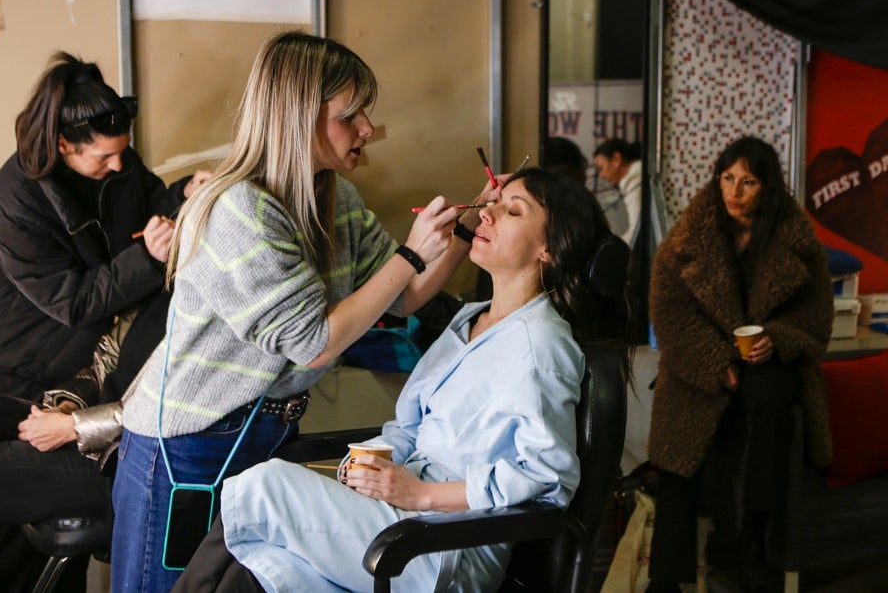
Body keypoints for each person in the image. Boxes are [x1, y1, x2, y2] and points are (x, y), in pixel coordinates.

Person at [111, 31, 484, 592]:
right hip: (189, 448)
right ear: (297, 116)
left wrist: (462, 234)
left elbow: (400, 296)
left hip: (266, 434)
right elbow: (314, 341)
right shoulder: (236, 211)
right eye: (351, 115)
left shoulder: (337, 199)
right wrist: (410, 254)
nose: (367, 129)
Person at [172, 167, 632, 592]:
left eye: (512, 211)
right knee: (263, 566)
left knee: (263, 486)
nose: (486, 212)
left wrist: (422, 492)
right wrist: (370, 465)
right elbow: (410, 428)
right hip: (402, 516)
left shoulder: (542, 347)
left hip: (447, 547)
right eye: (494, 203)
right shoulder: (468, 321)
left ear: (547, 248)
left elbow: (547, 479)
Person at [0, 50, 208, 591]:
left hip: (85, 360)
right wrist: (149, 260)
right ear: (64, 145)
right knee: (6, 526)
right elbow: (74, 302)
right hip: (24, 360)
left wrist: (183, 193)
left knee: (36, 517)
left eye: (123, 154)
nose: (118, 165)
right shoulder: (16, 200)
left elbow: (148, 204)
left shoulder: (114, 156)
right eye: (104, 159)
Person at [644, 137, 833, 592]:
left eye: (748, 181)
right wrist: (714, 362)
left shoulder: (793, 234)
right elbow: (667, 310)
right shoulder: (693, 232)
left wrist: (778, 339)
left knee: (771, 403)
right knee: (677, 455)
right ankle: (666, 579)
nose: (735, 191)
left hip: (769, 361)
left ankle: (751, 541)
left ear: (768, 187)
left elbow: (816, 315)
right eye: (727, 178)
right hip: (699, 363)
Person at [0, 291, 171, 591]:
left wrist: (74, 427)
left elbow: (171, 410)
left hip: (125, 460)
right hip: (81, 419)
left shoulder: (206, 300)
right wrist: (66, 407)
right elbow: (103, 363)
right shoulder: (160, 290)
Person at [593, 138, 642, 247]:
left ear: (616, 159)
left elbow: (637, 230)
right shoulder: (636, 177)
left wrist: (614, 249)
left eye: (601, 168)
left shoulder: (635, 181)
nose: (602, 176)